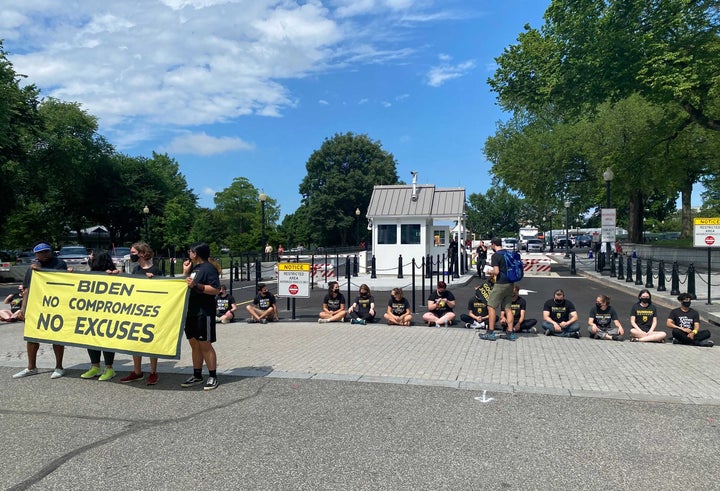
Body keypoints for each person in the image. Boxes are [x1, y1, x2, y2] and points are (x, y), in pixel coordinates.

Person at [13, 242, 69, 379]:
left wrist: (39, 270)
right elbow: (26, 289)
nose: (44, 254)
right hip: (36, 305)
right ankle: (31, 367)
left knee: (56, 337)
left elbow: (58, 280)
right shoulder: (31, 268)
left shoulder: (59, 264)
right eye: (41, 252)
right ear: (36, 254)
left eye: (46, 251)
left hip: (55, 305)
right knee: (32, 337)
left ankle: (59, 367)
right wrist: (23, 309)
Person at [119, 241, 164, 385]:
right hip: (137, 311)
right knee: (135, 341)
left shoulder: (156, 270)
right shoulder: (136, 270)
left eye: (133, 252)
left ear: (142, 253)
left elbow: (164, 290)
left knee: (150, 342)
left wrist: (155, 280)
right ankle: (137, 371)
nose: (131, 255)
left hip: (151, 312)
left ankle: (153, 372)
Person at [180, 243, 222, 390]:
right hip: (191, 311)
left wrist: (197, 286)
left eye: (190, 251)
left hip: (204, 312)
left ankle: (212, 376)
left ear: (196, 253)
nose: (188, 254)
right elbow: (187, 285)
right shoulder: (194, 268)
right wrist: (185, 272)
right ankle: (197, 375)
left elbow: (216, 289)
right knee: (194, 344)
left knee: (205, 344)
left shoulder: (209, 269)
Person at [80, 251, 120, 381]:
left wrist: (117, 276)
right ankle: (95, 366)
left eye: (93, 256)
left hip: (108, 314)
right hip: (91, 313)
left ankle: (109, 368)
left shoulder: (114, 275)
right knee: (91, 340)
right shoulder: (91, 274)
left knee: (106, 340)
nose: (90, 257)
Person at [479, 237, 516, 341]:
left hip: (500, 284)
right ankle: (510, 333)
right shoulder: (508, 253)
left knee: (491, 306)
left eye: (491, 244)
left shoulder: (496, 255)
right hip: (510, 283)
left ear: (494, 244)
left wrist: (489, 272)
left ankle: (490, 332)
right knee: (508, 308)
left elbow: (496, 271)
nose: (490, 246)